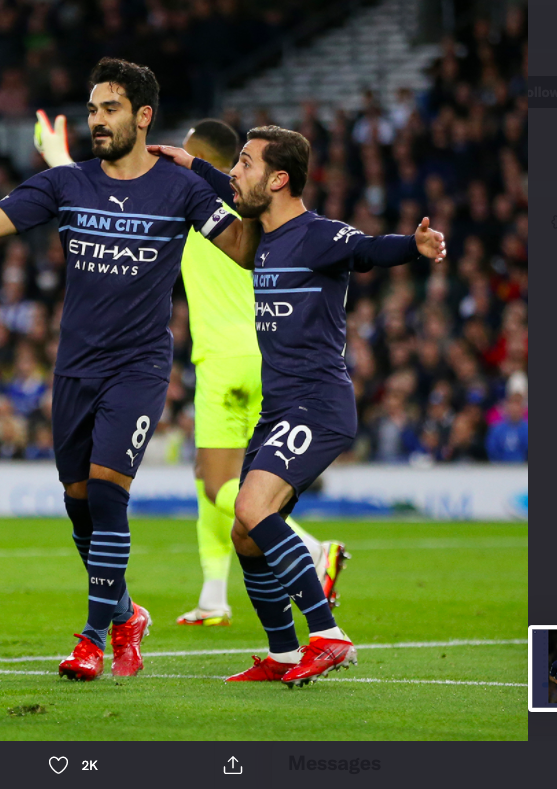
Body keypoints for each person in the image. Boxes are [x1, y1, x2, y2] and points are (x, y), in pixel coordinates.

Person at [0, 58, 262, 680]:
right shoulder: (69, 183)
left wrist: (230, 182)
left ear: (143, 116)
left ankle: (94, 638)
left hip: (140, 366)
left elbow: (245, 248)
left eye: (110, 109)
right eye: (92, 109)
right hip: (74, 369)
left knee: (105, 492)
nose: (96, 120)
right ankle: (125, 613)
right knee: (78, 506)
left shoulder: (180, 190)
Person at [151, 125, 444, 687]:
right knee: (244, 531)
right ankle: (284, 653)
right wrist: (191, 163)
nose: (234, 172)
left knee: (251, 506)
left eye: (245, 163)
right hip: (278, 408)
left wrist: (414, 244)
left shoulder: (317, 236)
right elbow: (223, 185)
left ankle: (329, 637)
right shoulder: (261, 237)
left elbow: (366, 249)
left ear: (279, 178)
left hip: (317, 405)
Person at [36, 113, 349, 627]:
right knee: (221, 478)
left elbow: (110, 203)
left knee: (220, 485)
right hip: (269, 358)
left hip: (222, 361)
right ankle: (213, 595)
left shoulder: (187, 200)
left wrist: (56, 155)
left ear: (200, 152)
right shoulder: (252, 212)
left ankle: (312, 551)